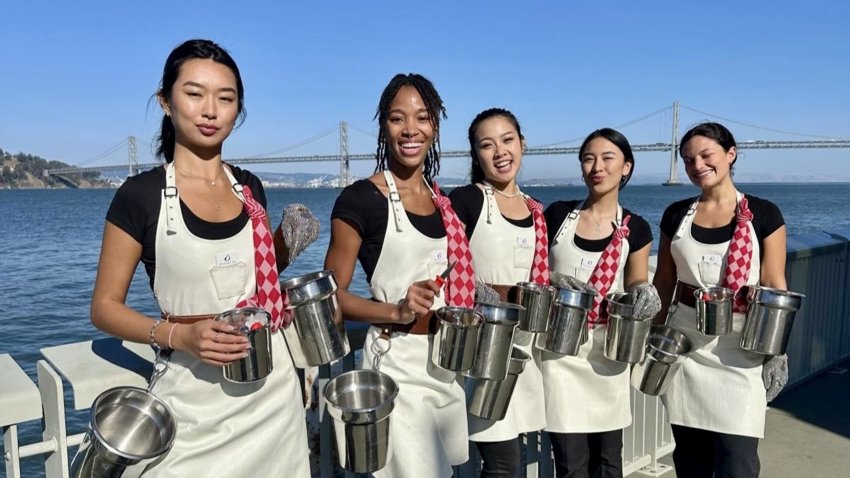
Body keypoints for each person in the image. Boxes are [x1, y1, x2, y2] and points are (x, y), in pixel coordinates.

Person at [90, 39, 313, 477]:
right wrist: (180, 336)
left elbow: (248, 282)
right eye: (194, 94)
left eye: (226, 98)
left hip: (272, 391)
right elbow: (104, 308)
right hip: (191, 396)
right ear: (166, 102)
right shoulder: (140, 196)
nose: (210, 110)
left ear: (238, 109)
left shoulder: (249, 188)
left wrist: (281, 269)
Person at [324, 73, 473, 478]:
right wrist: (396, 310)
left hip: (444, 363)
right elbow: (329, 298)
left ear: (435, 127)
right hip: (396, 363)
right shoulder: (360, 199)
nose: (410, 129)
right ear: (383, 127)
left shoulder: (444, 201)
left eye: (422, 118)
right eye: (397, 118)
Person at [652, 122, 788, 477]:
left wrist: (777, 350)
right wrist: (649, 337)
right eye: (687, 160)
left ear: (731, 154)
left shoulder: (764, 214)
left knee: (737, 460)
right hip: (687, 345)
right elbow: (664, 281)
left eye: (705, 155)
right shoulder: (676, 214)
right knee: (691, 459)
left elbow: (774, 282)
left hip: (741, 348)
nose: (697, 165)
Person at [542, 128, 654, 478]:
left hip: (608, 353)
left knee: (608, 461)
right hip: (560, 352)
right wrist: (552, 280)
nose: (597, 167)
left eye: (608, 158)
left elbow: (635, 280)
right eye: (588, 159)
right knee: (570, 463)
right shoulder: (557, 215)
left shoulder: (636, 228)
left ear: (626, 168)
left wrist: (643, 292)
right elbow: (536, 269)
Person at [448, 107, 548, 477]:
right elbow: (441, 260)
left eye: (507, 140)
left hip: (524, 348)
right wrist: (474, 291)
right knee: (503, 464)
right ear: (476, 155)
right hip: (484, 348)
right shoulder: (467, 200)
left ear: (522, 144)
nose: (500, 152)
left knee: (515, 457)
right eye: (487, 145)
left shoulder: (536, 210)